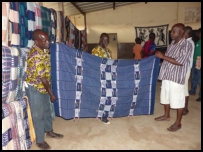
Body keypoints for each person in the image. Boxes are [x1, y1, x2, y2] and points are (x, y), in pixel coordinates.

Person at [25, 29, 63, 150]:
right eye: (44, 40)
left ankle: (49, 131)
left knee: (47, 110)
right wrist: (51, 93)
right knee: (38, 114)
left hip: (44, 86)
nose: (48, 42)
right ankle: (40, 140)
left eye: (48, 39)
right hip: (35, 88)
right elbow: (42, 79)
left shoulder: (44, 49)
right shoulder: (34, 56)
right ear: (36, 42)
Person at [154, 23, 192, 132]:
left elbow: (180, 62)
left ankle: (178, 123)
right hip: (167, 75)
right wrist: (162, 57)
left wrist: (163, 56)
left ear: (181, 32)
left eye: (174, 31)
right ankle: (166, 115)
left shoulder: (186, 45)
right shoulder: (172, 43)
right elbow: (169, 57)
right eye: (171, 31)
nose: (171, 33)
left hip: (176, 77)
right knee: (165, 96)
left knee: (178, 100)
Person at [91, 33, 111, 125]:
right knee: (102, 96)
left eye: (107, 39)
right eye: (103, 39)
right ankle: (102, 115)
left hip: (108, 76)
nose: (105, 41)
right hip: (99, 76)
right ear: (100, 39)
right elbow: (93, 64)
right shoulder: (96, 50)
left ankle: (105, 112)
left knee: (107, 95)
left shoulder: (108, 51)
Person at [183, 26, 195, 115]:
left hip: (186, 69)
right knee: (183, 88)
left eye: (183, 33)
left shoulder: (189, 43)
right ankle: (183, 106)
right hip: (184, 68)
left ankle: (185, 108)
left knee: (185, 89)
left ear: (186, 34)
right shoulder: (186, 42)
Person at [189, 28, 201, 102]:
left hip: (199, 61)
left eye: (197, 33)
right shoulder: (198, 42)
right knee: (194, 77)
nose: (196, 34)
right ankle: (193, 90)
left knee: (199, 78)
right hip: (195, 61)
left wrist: (198, 62)